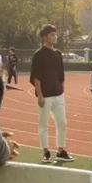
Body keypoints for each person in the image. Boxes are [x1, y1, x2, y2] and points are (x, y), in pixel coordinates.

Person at [30, 24, 73, 164]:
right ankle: (46, 152)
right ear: (44, 37)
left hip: (58, 94)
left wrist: (62, 89)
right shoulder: (38, 55)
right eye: (52, 35)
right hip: (45, 96)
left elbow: (61, 75)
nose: (55, 37)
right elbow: (36, 77)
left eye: (55, 34)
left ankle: (61, 151)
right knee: (43, 125)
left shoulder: (58, 54)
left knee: (62, 123)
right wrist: (40, 95)